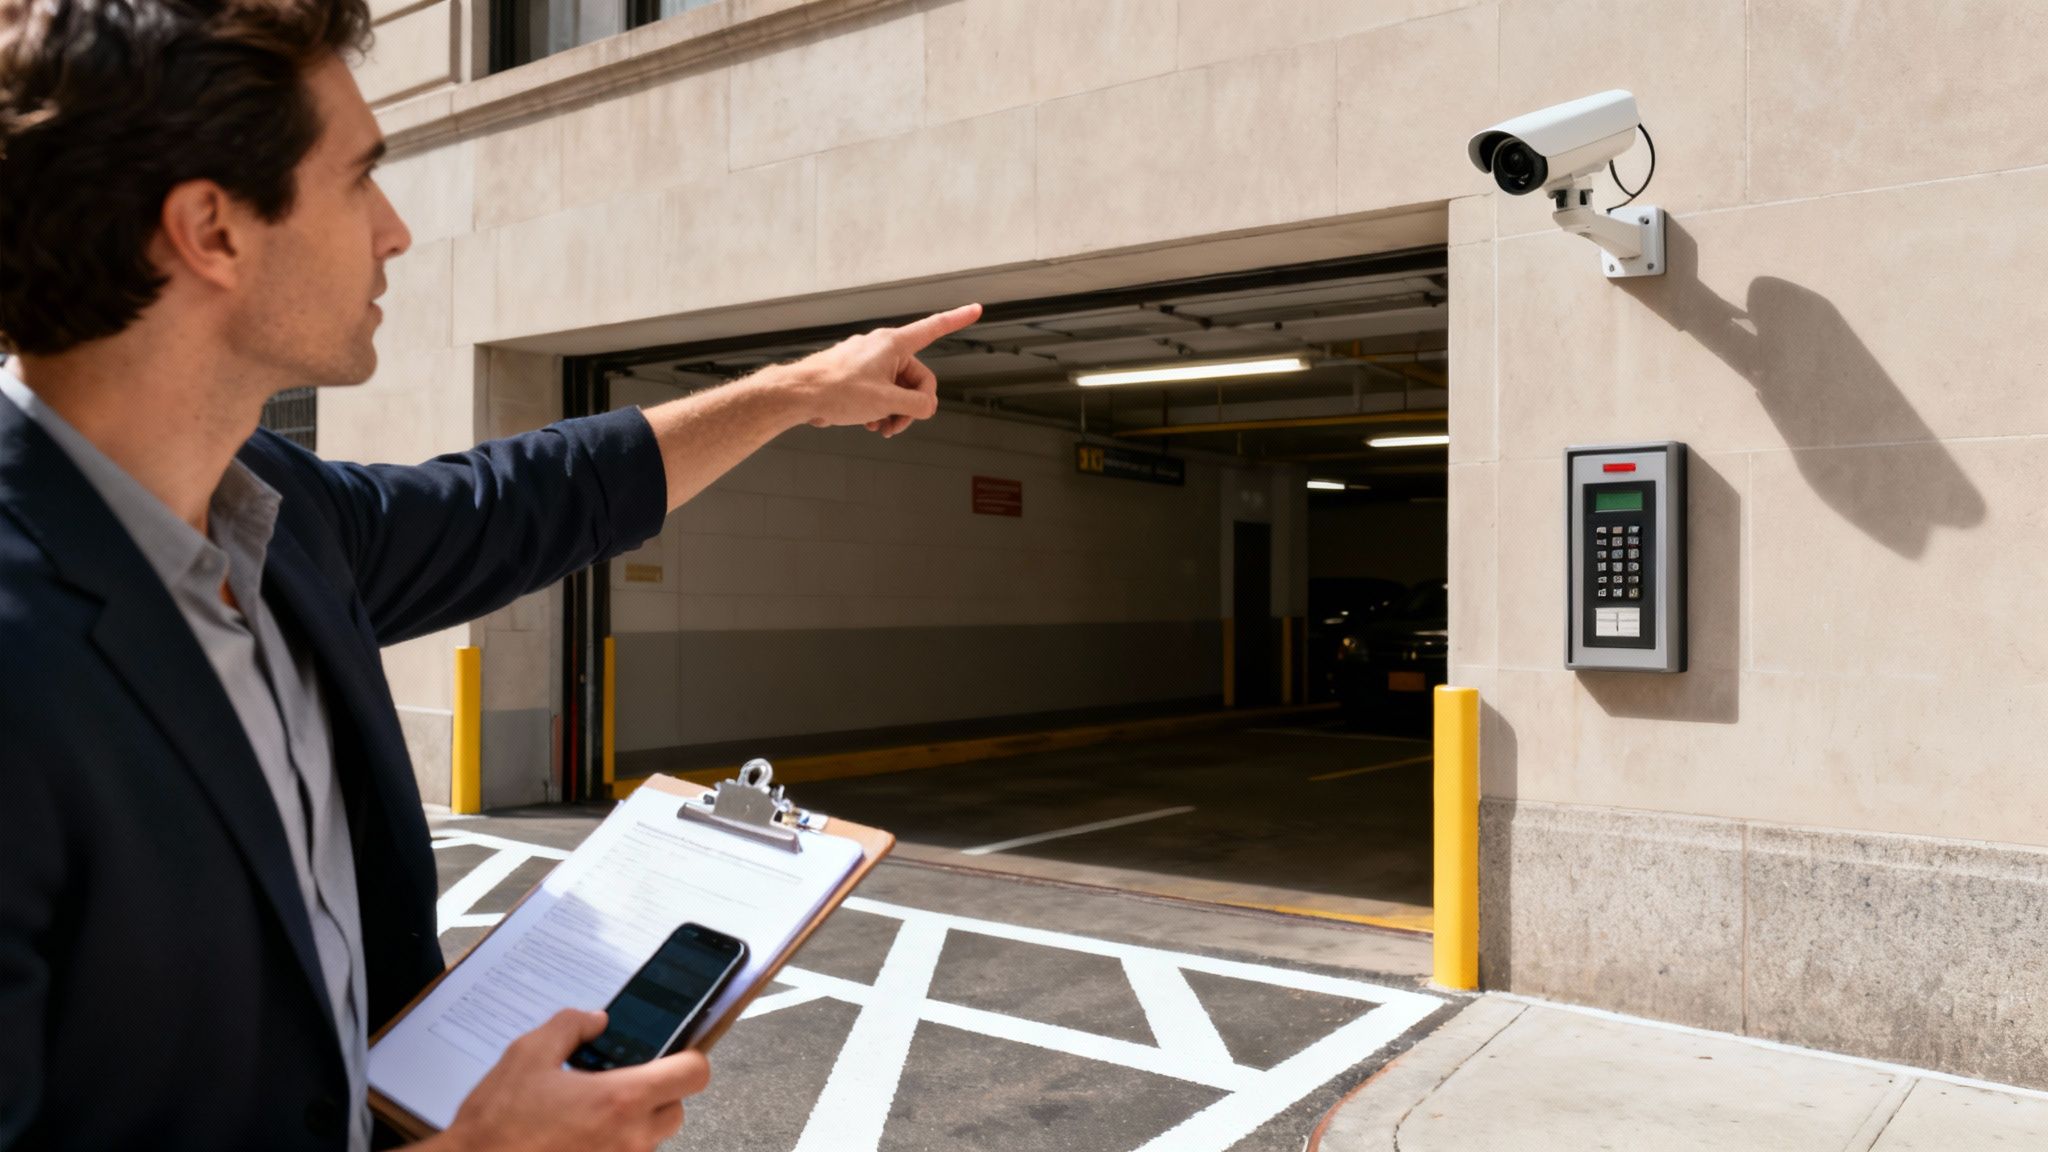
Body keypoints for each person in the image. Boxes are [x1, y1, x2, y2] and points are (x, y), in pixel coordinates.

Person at [0, 0, 980, 1147]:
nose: (395, 229)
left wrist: (793, 392)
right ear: (211, 230)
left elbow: (525, 498)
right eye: (359, 177)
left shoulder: (272, 508)